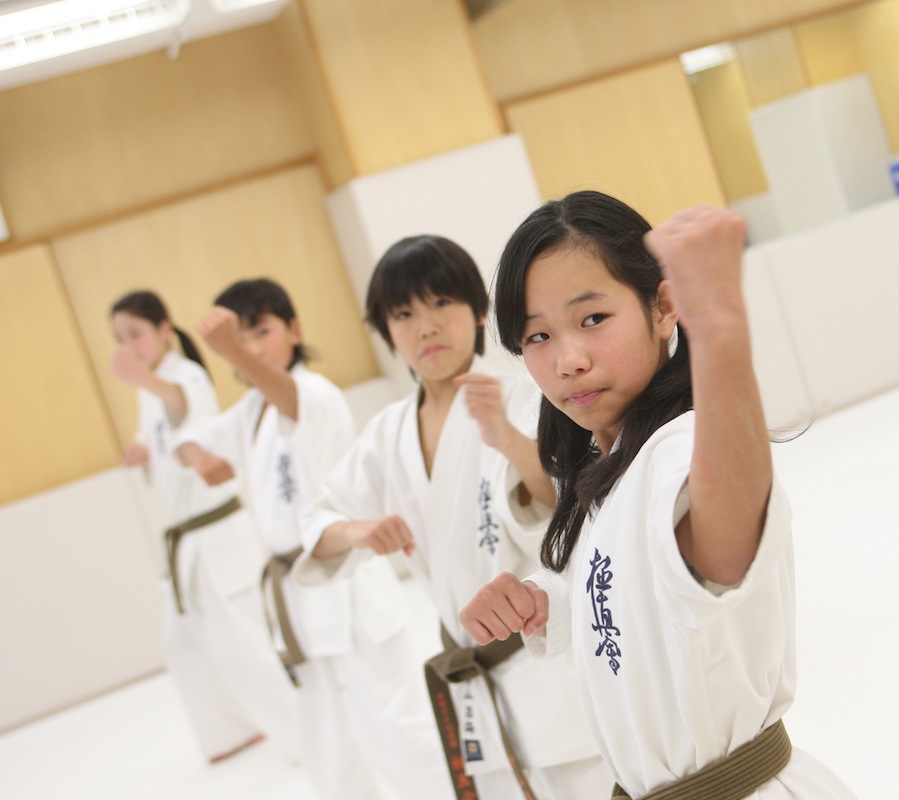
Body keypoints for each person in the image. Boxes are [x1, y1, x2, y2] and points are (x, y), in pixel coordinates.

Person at [459, 192, 858, 799]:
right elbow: (643, 596)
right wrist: (544, 600)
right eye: (537, 336)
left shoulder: (679, 447)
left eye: (593, 318)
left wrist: (719, 326)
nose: (568, 359)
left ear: (665, 307)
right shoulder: (611, 472)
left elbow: (724, 555)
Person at [295, 235, 610, 800]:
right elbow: (320, 523)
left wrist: (507, 439)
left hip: (550, 661)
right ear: (386, 331)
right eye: (403, 314)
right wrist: (360, 531)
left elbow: (573, 504)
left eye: (441, 303)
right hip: (472, 684)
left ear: (479, 310)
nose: (426, 327)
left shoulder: (525, 397)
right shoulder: (387, 434)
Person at [173, 278, 447, 800]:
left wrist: (229, 350)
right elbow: (188, 438)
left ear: (294, 330)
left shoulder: (312, 394)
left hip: (347, 584)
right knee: (326, 736)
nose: (252, 349)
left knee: (397, 732)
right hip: (298, 597)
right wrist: (201, 458)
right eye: (241, 339)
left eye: (261, 332)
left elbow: (287, 395)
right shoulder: (251, 410)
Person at [109, 290, 295, 764]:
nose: (128, 346)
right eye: (119, 338)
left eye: (135, 334)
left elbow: (184, 409)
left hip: (217, 534)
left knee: (244, 644)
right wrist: (144, 453)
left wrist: (142, 377)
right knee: (182, 643)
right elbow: (163, 438)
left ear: (164, 330)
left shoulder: (184, 375)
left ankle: (302, 731)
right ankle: (231, 733)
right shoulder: (149, 389)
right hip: (187, 540)